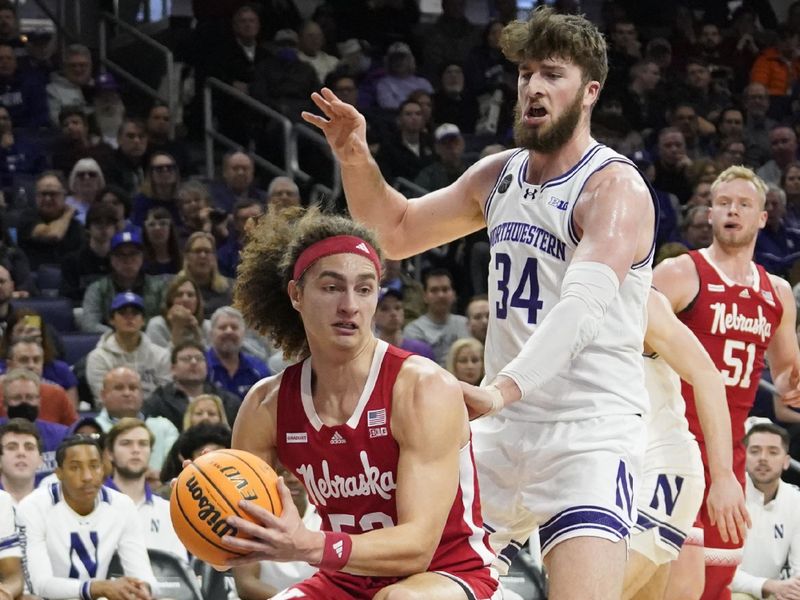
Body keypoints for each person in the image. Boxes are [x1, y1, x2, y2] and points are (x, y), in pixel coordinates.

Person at [302, 7, 657, 597]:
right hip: (499, 431)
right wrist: (355, 158)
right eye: (525, 74)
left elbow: (578, 310)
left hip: (588, 430)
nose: (533, 87)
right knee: (405, 591)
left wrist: (499, 389)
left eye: (552, 74)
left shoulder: (613, 187)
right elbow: (394, 230)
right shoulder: (500, 176)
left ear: (589, 92)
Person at [224, 205, 498, 598]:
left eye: (365, 288)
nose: (350, 305)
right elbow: (234, 547)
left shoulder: (422, 387)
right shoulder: (265, 405)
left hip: (448, 574)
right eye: (332, 287)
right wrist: (205, 507)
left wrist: (308, 544)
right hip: (345, 578)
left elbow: (416, 549)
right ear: (296, 295)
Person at [653, 165, 800, 600]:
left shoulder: (777, 292)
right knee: (677, 584)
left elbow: (787, 386)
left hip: (729, 451)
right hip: (671, 447)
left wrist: (794, 382)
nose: (732, 210)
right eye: (723, 203)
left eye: (743, 204)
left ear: (762, 217)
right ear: (709, 213)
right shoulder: (681, 272)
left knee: (718, 585)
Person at [623, 290, 747, 600]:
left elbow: (707, 374)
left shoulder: (641, 299)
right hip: (608, 473)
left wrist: (722, 476)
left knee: (590, 590)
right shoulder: (559, 295)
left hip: (662, 470)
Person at [17, 435, 156, 600]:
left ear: (103, 469)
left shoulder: (122, 506)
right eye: (75, 468)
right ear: (59, 473)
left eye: (94, 466)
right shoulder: (33, 507)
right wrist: (97, 587)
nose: (87, 476)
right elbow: (39, 585)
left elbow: (144, 574)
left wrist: (142, 589)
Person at [731, 421, 800, 599]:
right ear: (743, 457)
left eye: (773, 452)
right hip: (733, 590)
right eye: (755, 451)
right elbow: (718, 569)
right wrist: (766, 585)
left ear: (786, 462)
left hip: (776, 591)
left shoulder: (796, 500)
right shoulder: (728, 495)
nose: (763, 458)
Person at [104, 417, 188, 560]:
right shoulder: (94, 505)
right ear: (110, 453)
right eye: (126, 443)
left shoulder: (168, 510)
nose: (136, 450)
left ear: (151, 451)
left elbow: (179, 569)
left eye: (143, 444)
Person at [86, 292, 171, 403]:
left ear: (143, 320)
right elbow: (104, 399)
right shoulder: (98, 358)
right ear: (111, 320)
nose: (129, 317)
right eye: (123, 313)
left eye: (135, 313)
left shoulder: (161, 356)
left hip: (153, 416)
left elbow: (166, 398)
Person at [94, 366, 178, 475]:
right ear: (103, 395)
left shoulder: (164, 427)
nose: (127, 393)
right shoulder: (93, 429)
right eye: (119, 388)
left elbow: (175, 468)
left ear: (142, 394)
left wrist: (160, 477)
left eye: (133, 388)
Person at [80, 230, 168, 333]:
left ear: (142, 257)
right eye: (120, 255)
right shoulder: (97, 288)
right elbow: (89, 324)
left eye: (133, 254)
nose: (128, 260)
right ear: (111, 259)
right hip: (110, 342)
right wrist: (121, 337)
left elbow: (167, 320)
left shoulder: (160, 286)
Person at [144, 339, 242, 430]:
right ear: (173, 369)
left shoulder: (228, 401)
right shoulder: (158, 402)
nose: (194, 362)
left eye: (199, 358)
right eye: (186, 359)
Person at [0, 368, 68, 481]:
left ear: (39, 402)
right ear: (5, 404)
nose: (24, 402)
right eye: (17, 398)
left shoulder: (61, 436)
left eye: (30, 397)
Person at [17, 172, 84, 270]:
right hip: (34, 281)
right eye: (43, 194)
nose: (47, 199)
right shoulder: (27, 217)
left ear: (64, 196)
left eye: (53, 194)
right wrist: (68, 212)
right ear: (36, 197)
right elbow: (53, 235)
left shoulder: (75, 226)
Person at [403, 268, 469, 366]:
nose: (441, 295)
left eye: (445, 289)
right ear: (425, 296)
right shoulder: (413, 330)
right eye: (434, 290)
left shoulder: (466, 325)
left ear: (454, 294)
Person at [205, 306, 269, 400]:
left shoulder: (258, 369)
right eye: (222, 327)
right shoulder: (202, 365)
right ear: (211, 334)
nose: (229, 331)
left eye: (234, 327)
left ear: (243, 334)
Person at [60, 201, 118, 302]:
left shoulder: (122, 259)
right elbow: (68, 296)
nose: (103, 228)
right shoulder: (71, 261)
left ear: (115, 229)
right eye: (98, 223)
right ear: (88, 228)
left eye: (108, 223)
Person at [372, 281, 435, 361]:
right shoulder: (370, 353)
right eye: (384, 309)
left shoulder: (422, 350)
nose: (393, 313)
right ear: (373, 316)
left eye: (397, 308)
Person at [144, 274, 209, 347]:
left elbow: (210, 357)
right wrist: (177, 328)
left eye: (190, 295)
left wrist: (196, 331)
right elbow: (162, 358)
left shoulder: (207, 326)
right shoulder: (157, 325)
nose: (185, 299)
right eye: (179, 295)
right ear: (170, 301)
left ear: (197, 301)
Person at [179, 232, 233, 318]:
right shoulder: (175, 289)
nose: (203, 255)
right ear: (187, 257)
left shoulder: (231, 289)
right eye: (197, 251)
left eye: (207, 251)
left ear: (214, 257)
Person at [0, 417, 43, 504]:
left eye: (29, 448)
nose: (21, 453)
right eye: (11, 447)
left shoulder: (52, 504)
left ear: (40, 460)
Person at [141, 207, 182, 275]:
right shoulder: (140, 261)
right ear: (145, 230)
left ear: (170, 228)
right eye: (151, 224)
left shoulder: (183, 260)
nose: (157, 228)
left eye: (163, 223)